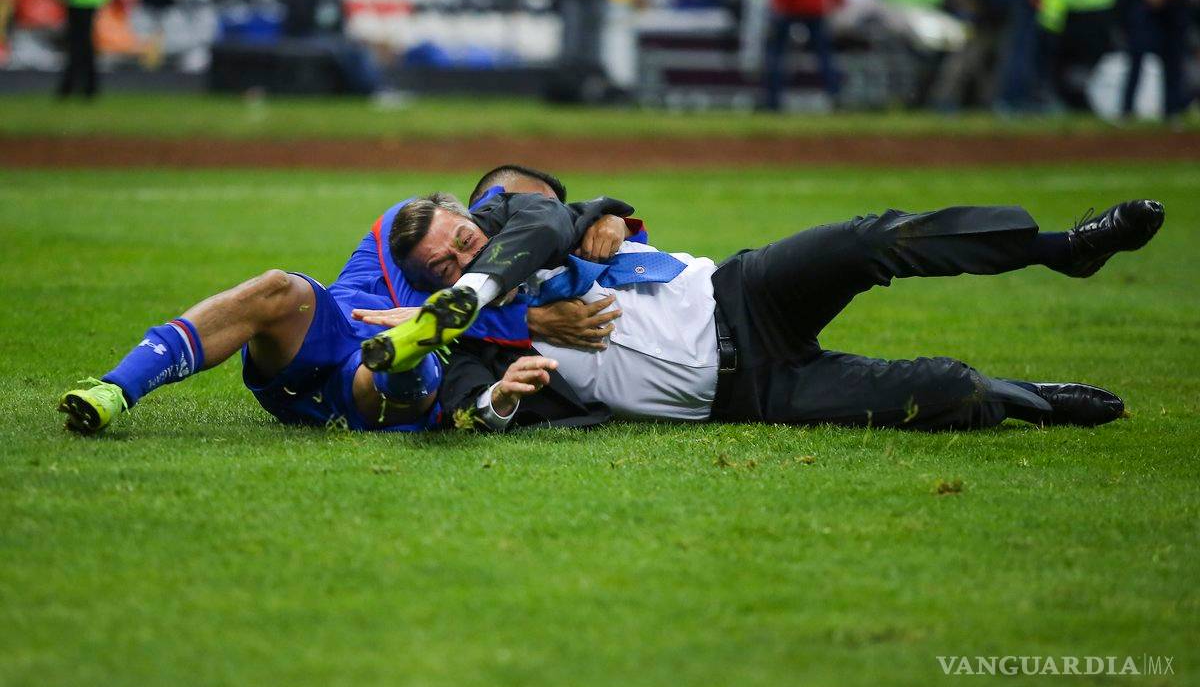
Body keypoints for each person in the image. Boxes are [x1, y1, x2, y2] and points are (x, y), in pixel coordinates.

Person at [365, 195, 1165, 433]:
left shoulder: (525, 224)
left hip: (742, 292)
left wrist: (600, 218)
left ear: (473, 221)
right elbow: (466, 405)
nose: (463, 260)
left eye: (463, 242)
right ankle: (1033, 399)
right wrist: (501, 397)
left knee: (871, 239)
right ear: (427, 292)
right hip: (752, 393)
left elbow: (551, 217)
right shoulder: (483, 345)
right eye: (445, 271)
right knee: (948, 390)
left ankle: (1066, 248)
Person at [55, 168, 632, 434]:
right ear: (484, 204)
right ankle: (116, 388)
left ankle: (406, 349)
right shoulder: (417, 224)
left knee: (410, 362)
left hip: (383, 381)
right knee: (277, 287)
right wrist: (528, 318)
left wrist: (613, 220)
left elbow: (589, 230)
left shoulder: (547, 236)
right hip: (326, 335)